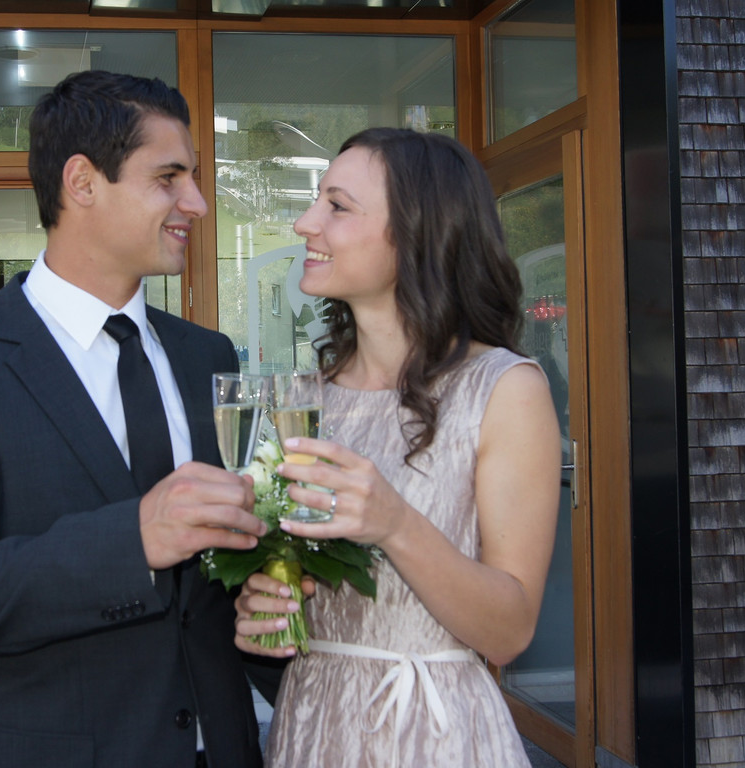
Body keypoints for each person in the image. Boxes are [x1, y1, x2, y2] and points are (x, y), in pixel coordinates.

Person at [0, 70, 272, 768]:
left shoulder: (206, 355)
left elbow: (218, 588)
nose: (197, 203)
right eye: (169, 178)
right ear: (82, 182)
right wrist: (132, 540)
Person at [234, 128, 561, 767]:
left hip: (434, 733)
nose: (305, 223)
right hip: (312, 726)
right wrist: (263, 605)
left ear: (416, 233)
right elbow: (294, 578)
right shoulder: (305, 399)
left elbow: (510, 631)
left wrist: (395, 523)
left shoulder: (504, 390)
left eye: (337, 205)